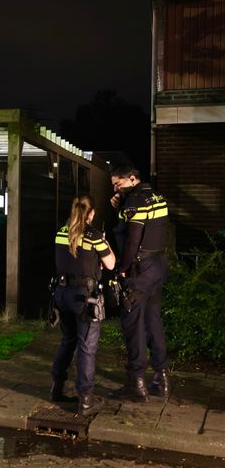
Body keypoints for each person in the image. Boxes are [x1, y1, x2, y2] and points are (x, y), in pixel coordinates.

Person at [108, 165, 171, 402]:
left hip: (139, 270)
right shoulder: (156, 197)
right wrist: (120, 206)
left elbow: (133, 239)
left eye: (118, 183)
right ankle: (162, 380)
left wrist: (122, 270)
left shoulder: (134, 202)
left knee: (133, 326)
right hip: (157, 266)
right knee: (153, 322)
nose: (115, 188)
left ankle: (136, 383)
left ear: (132, 179)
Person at [51, 195, 115, 416]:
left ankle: (57, 388)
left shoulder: (61, 232)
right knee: (86, 348)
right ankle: (86, 400)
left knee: (67, 341)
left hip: (62, 295)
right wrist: (104, 243)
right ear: (91, 213)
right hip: (85, 299)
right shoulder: (94, 236)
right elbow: (111, 263)